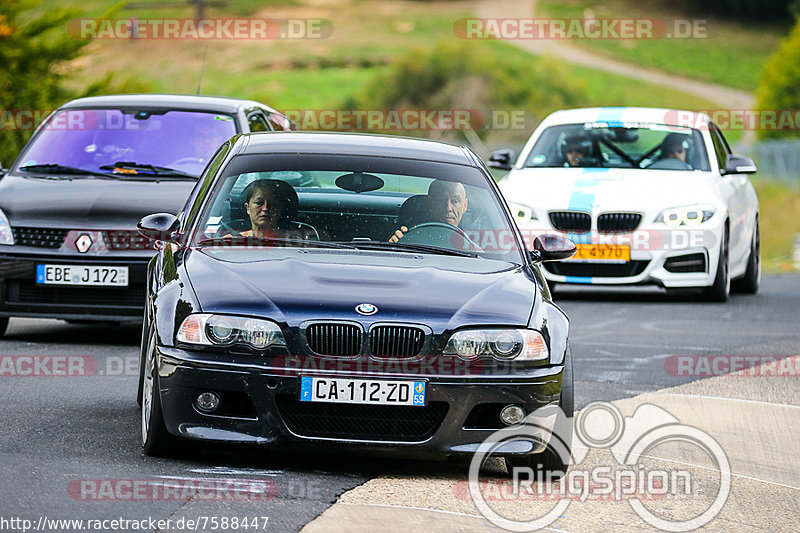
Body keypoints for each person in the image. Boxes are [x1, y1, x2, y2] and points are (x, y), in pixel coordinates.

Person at [389, 179, 468, 243]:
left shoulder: (474, 245)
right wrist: (395, 246)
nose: (448, 208)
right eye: (441, 201)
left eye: (455, 201)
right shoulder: (408, 238)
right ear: (429, 204)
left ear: (465, 205)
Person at [235, 179, 313, 239]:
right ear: (247, 208)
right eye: (259, 203)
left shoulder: (294, 243)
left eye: (273, 204)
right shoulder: (231, 240)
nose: (265, 208)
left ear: (279, 209)